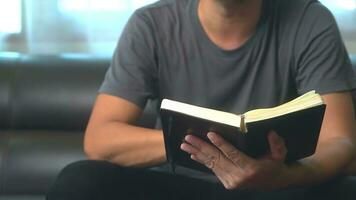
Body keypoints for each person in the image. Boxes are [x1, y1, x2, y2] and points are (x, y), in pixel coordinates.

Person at [47, 0, 356, 199]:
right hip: (177, 188)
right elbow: (100, 140)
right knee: (79, 182)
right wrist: (203, 142)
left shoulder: (310, 19)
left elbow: (341, 141)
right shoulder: (151, 25)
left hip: (271, 188)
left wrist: (288, 176)